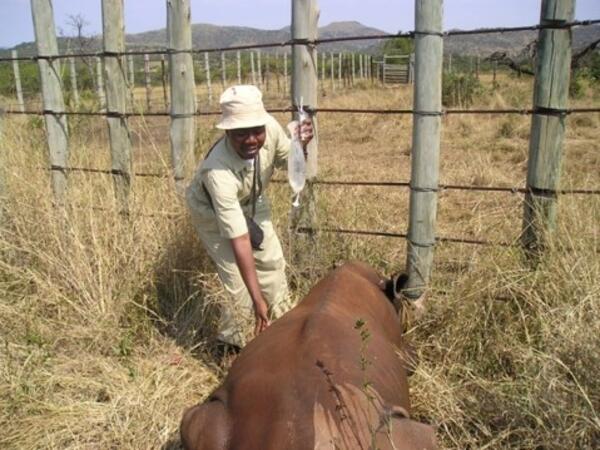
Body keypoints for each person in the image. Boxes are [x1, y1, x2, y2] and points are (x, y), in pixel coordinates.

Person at [186, 85, 313, 354]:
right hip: (211, 210)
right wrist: (257, 300)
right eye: (241, 133)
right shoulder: (217, 171)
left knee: (272, 262)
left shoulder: (269, 126)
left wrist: (300, 145)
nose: (252, 139)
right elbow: (240, 238)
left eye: (257, 131)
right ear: (227, 132)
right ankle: (233, 347)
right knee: (238, 285)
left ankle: (281, 332)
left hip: (252, 199)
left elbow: (287, 162)